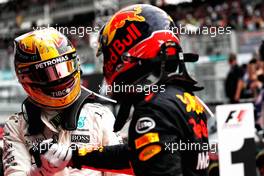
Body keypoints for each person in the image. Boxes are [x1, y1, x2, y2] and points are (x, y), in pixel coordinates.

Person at [72, 4, 210, 176]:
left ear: (123, 51)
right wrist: (74, 156)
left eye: (108, 54)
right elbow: (138, 155)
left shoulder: (154, 108)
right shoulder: (183, 97)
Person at [3, 28, 126, 176]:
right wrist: (41, 172)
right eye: (46, 74)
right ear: (25, 78)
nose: (58, 78)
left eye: (63, 68)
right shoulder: (17, 126)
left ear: (76, 64)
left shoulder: (99, 116)